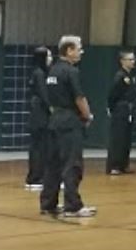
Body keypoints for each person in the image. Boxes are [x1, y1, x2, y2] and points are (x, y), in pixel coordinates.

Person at [40, 36, 96, 218]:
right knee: (72, 164)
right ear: (69, 50)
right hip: (70, 122)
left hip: (54, 120)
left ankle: (48, 203)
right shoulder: (71, 71)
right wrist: (87, 115)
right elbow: (79, 97)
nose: (81, 52)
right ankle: (73, 206)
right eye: (78, 49)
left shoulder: (52, 71)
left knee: (52, 165)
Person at [106, 50, 136, 175]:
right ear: (122, 61)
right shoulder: (120, 76)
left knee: (126, 138)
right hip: (120, 109)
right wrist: (111, 108)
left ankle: (124, 164)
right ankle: (114, 165)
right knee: (118, 138)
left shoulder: (130, 76)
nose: (133, 62)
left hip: (129, 109)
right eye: (130, 59)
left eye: (133, 59)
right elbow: (112, 94)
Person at [23, 46, 53, 190]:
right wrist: (52, 108)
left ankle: (38, 176)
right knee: (39, 148)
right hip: (40, 116)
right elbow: (44, 94)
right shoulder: (39, 74)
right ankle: (35, 178)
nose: (51, 59)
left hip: (37, 115)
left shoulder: (36, 72)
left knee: (39, 147)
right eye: (49, 56)